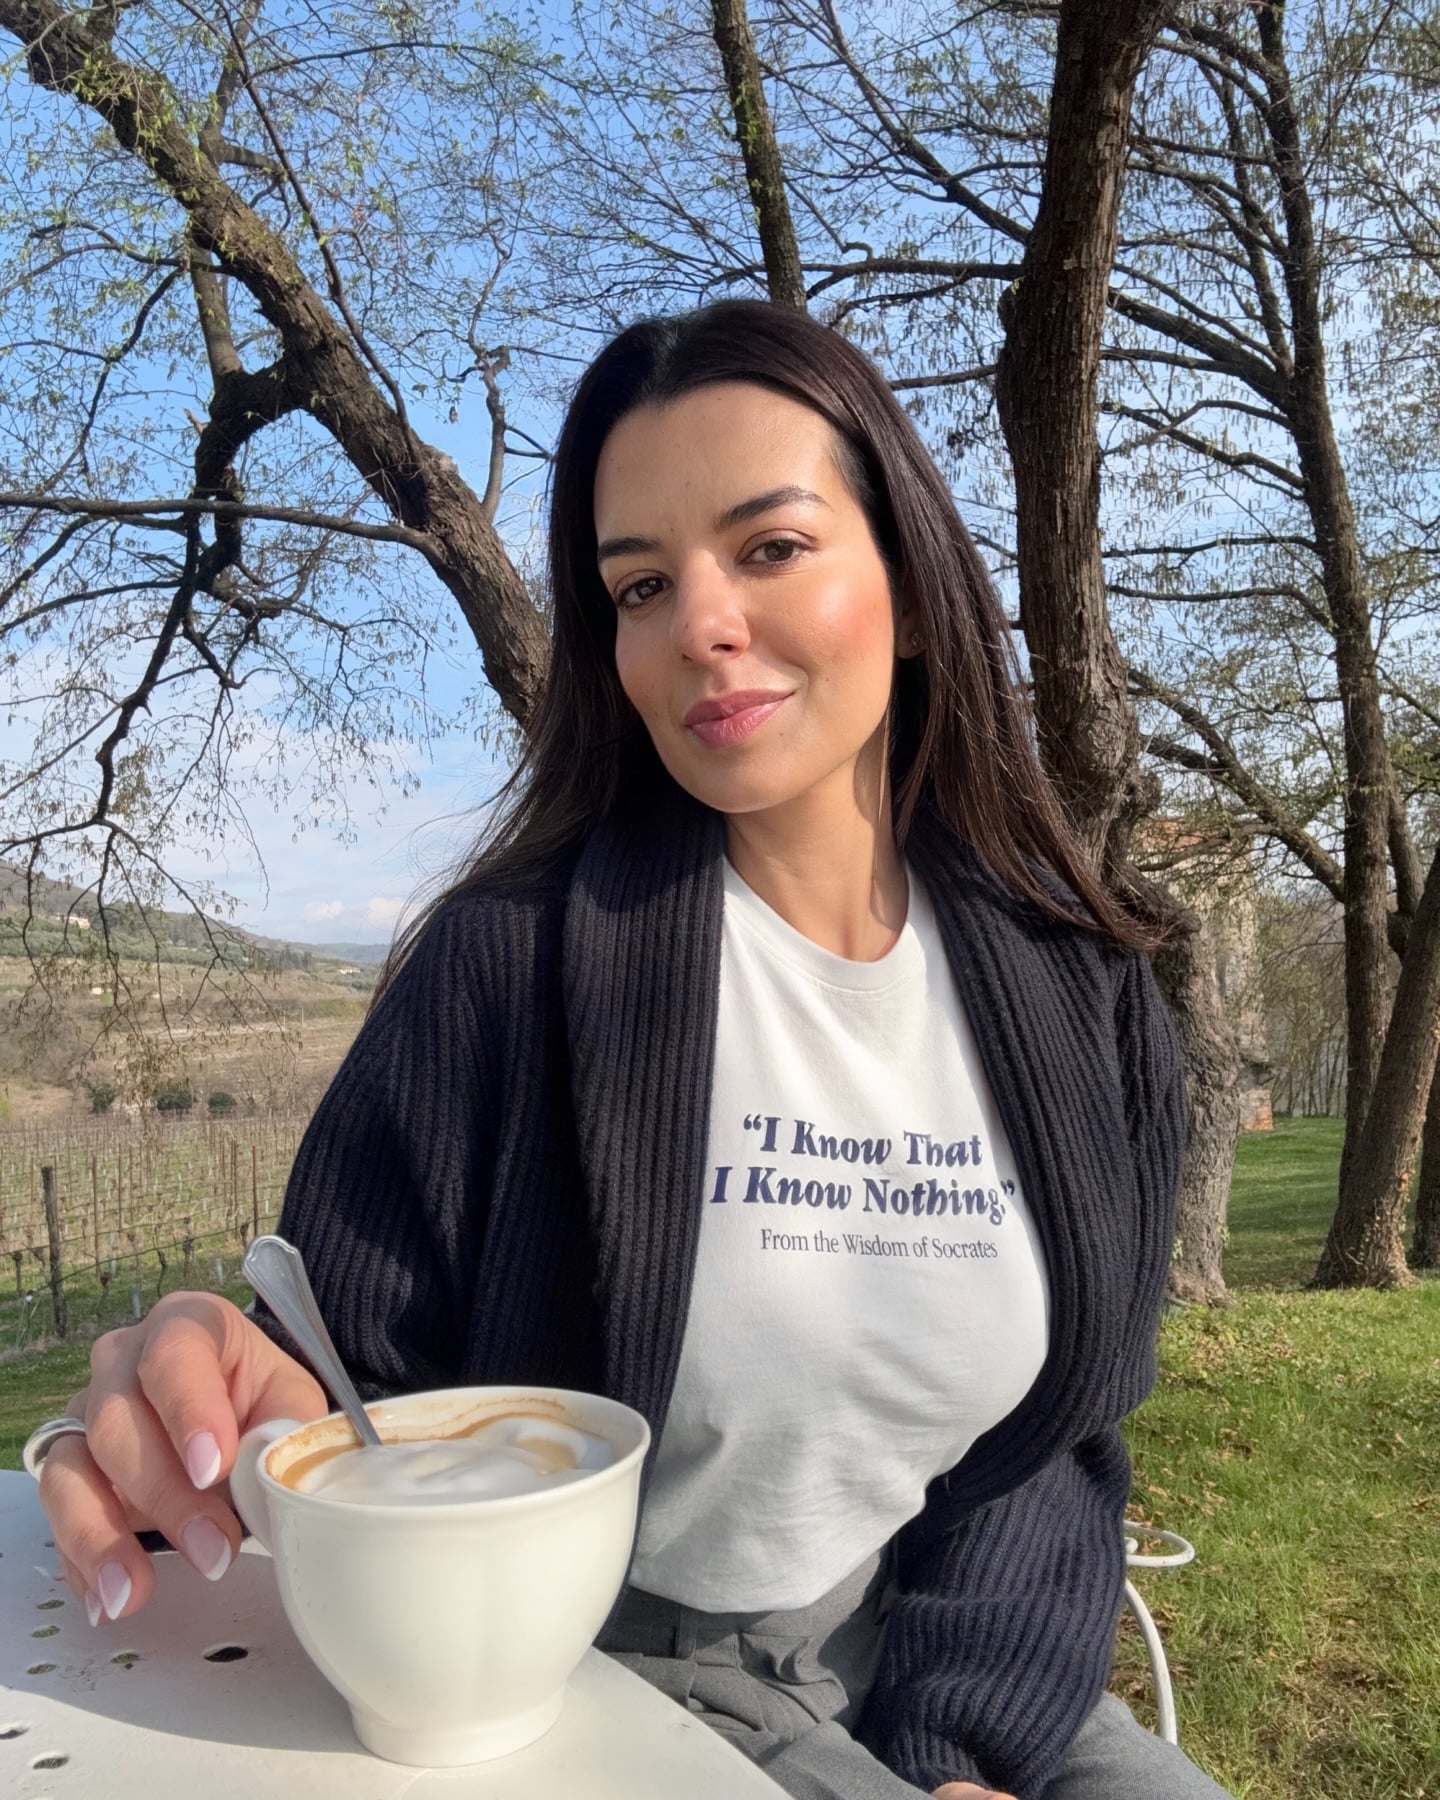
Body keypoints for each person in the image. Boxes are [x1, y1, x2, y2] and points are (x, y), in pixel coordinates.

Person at [27, 299, 1233, 1800]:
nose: (698, 624)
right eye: (642, 584)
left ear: (914, 590)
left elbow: (1053, 1439)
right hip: (604, 1674)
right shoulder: (506, 969)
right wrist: (181, 1401)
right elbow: (334, 1388)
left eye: (770, 547)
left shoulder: (1083, 988)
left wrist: (963, 1748)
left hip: (952, 1654)